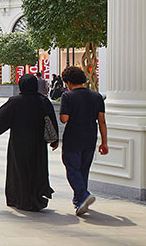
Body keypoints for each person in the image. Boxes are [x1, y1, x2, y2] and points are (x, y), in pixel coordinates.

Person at [0, 74, 59, 211]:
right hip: (38, 143)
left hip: (19, 143)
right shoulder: (43, 101)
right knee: (37, 169)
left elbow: (1, 116)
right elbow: (51, 121)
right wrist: (54, 141)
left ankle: (19, 199)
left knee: (19, 170)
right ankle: (36, 199)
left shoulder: (15, 101)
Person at [59, 65, 107, 215]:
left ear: (68, 82)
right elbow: (102, 121)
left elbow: (64, 119)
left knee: (72, 169)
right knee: (83, 169)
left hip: (73, 137)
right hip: (90, 137)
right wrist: (104, 142)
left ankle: (84, 195)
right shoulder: (96, 96)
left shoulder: (68, 96)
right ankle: (79, 201)